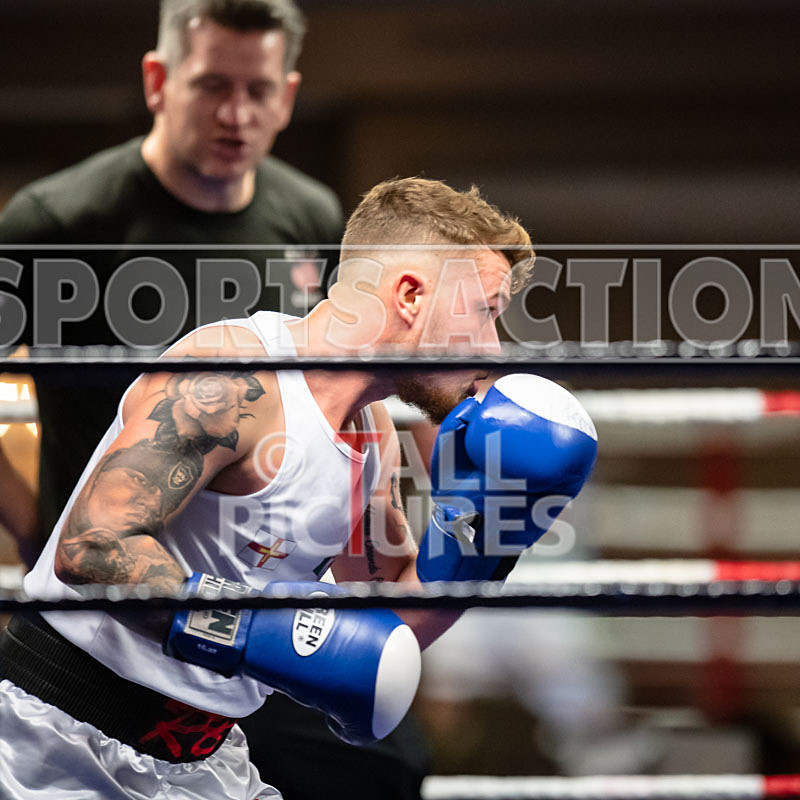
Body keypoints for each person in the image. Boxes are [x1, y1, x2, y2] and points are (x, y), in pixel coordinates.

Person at [0, 177, 598, 798]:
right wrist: (251, 629)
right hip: (56, 738)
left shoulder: (371, 435)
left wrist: (486, 536)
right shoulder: (234, 379)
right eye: (486, 311)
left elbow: (388, 620)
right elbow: (90, 548)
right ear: (412, 295)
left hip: (201, 762)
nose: (493, 349)